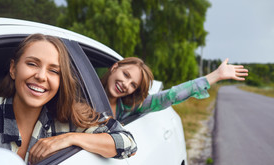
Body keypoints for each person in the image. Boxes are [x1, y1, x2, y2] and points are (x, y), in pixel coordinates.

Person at [0, 34, 137, 164]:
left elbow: (127, 142)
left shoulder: (68, 120)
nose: (41, 76)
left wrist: (69, 139)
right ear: (13, 69)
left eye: (54, 71)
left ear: (61, 81)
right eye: (32, 64)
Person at [100, 57, 248, 121]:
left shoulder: (130, 107)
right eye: (125, 75)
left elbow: (170, 96)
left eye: (133, 85)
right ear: (114, 67)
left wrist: (216, 75)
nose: (125, 84)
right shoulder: (81, 93)